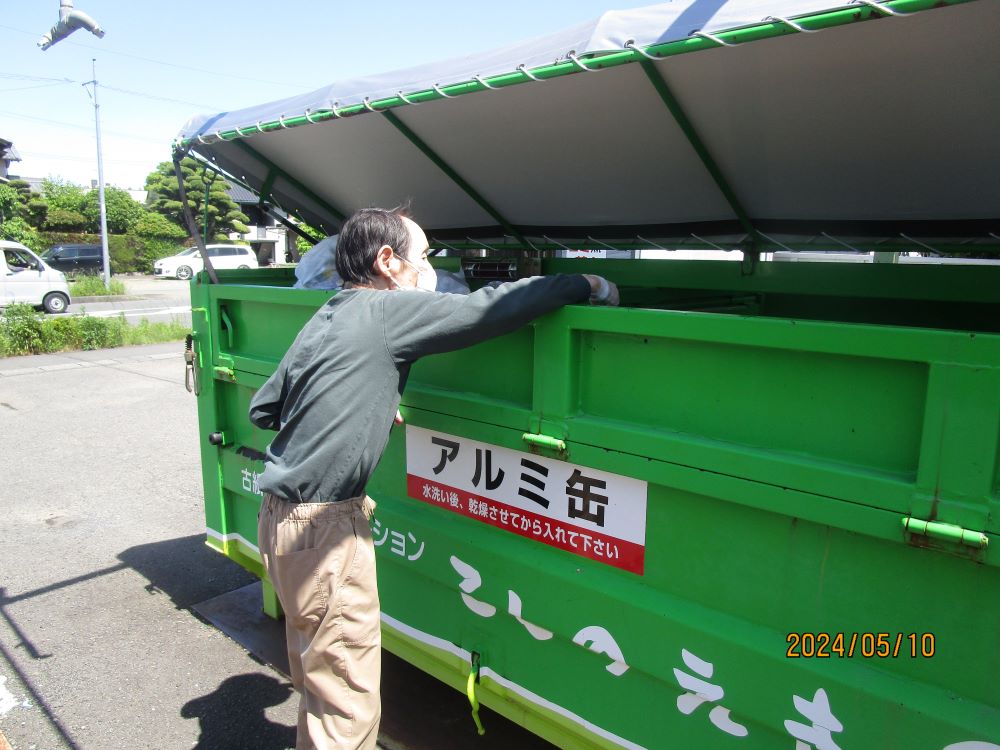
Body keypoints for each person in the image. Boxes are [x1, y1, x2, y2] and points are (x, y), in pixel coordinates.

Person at [248, 206, 619, 750]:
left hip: (277, 518)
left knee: (317, 678)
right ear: (387, 261)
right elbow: (489, 308)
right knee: (346, 704)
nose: (428, 268)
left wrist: (366, 400)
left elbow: (266, 407)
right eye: (422, 257)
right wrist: (583, 282)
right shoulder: (384, 312)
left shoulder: (330, 311)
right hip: (324, 530)